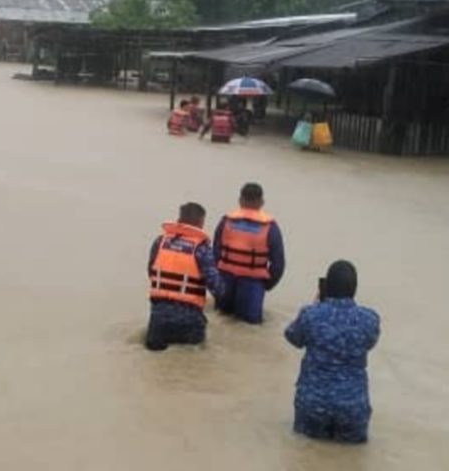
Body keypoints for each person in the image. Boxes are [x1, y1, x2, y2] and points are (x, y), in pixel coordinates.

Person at [285, 261, 380, 444]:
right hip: (352, 408)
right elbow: (370, 342)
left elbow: (292, 337)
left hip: (312, 405)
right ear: (354, 288)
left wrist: (315, 305)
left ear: (326, 287)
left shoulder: (310, 315)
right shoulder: (369, 320)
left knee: (306, 451)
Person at [146, 203, 225, 351]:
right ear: (201, 223)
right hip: (190, 318)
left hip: (159, 317)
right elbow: (217, 288)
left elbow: (152, 272)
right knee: (192, 360)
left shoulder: (160, 242)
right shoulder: (202, 249)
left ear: (179, 220)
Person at [213, 183, 285, 324]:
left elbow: (215, 253)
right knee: (249, 326)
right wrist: (267, 285)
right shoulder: (270, 227)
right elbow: (278, 264)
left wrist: (217, 280)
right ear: (261, 202)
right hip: (253, 284)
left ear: (240, 200)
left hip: (225, 281)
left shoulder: (226, 221)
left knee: (221, 319)